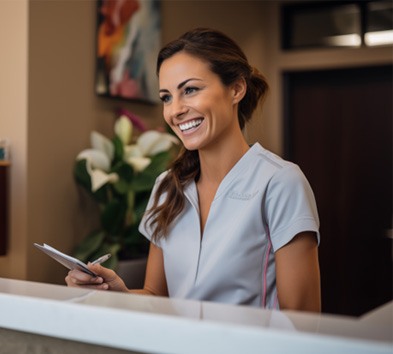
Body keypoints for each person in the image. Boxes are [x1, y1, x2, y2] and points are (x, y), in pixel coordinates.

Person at [66, 28, 321, 312]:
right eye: (166, 97)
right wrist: (116, 293)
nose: (175, 110)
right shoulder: (166, 187)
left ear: (236, 89)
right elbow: (157, 296)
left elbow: (302, 320)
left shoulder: (280, 182)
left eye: (190, 90)